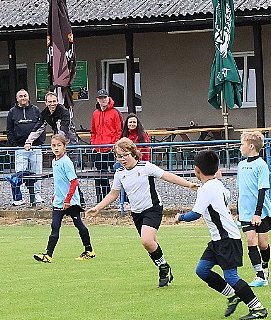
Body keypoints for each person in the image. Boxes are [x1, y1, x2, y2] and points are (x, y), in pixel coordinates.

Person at [86, 137, 198, 287]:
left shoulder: (146, 167)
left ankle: (163, 267)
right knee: (150, 244)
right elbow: (113, 194)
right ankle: (163, 267)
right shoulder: (119, 173)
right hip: (136, 213)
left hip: (153, 209)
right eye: (119, 156)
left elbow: (167, 176)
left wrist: (189, 184)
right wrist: (97, 208)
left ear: (133, 153)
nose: (122, 159)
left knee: (146, 240)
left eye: (125, 155)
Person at [175, 150, 268, 320]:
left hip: (227, 239)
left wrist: (179, 217)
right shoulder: (218, 185)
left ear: (196, 170)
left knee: (231, 276)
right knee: (202, 270)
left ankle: (258, 308)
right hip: (219, 239)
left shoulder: (206, 189)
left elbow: (195, 214)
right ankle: (233, 295)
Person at [33, 134, 95, 263]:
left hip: (70, 201)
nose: (56, 148)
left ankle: (89, 251)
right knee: (55, 226)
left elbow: (73, 182)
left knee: (79, 226)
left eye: (59, 145)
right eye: (53, 145)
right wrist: (57, 195)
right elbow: (60, 182)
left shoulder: (66, 162)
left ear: (64, 147)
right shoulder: (54, 161)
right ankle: (48, 255)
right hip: (59, 201)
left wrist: (67, 199)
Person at [24, 91, 85, 205]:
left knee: (71, 175)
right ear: (46, 103)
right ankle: (63, 200)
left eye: (54, 101)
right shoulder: (45, 113)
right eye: (50, 102)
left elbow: (63, 129)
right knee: (60, 176)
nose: (52, 104)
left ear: (57, 101)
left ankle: (79, 200)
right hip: (59, 146)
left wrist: (58, 143)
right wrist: (29, 142)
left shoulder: (64, 112)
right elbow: (38, 127)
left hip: (70, 144)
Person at [237, 131, 271, 287]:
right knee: (250, 241)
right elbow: (241, 189)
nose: (240, 147)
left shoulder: (261, 165)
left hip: (261, 212)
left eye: (242, 144)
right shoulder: (241, 165)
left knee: (262, 244)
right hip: (246, 213)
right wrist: (239, 212)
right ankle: (259, 275)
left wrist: (258, 214)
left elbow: (262, 190)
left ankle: (265, 268)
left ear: (251, 146)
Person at [6, 89, 45, 205]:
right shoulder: (12, 112)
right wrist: (15, 145)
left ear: (28, 97)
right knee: (19, 173)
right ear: (17, 98)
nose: (23, 98)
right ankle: (20, 197)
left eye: (25, 96)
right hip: (19, 148)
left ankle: (37, 195)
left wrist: (39, 142)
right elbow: (9, 130)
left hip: (35, 148)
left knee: (37, 172)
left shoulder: (36, 110)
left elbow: (41, 126)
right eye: (20, 96)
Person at [90, 89, 123, 203]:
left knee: (116, 174)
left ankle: (117, 199)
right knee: (99, 175)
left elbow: (119, 131)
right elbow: (93, 131)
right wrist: (93, 145)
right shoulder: (95, 114)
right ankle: (101, 199)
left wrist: (115, 145)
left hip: (111, 149)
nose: (103, 100)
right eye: (101, 98)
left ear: (108, 98)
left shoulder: (115, 113)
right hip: (98, 150)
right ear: (97, 100)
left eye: (105, 98)